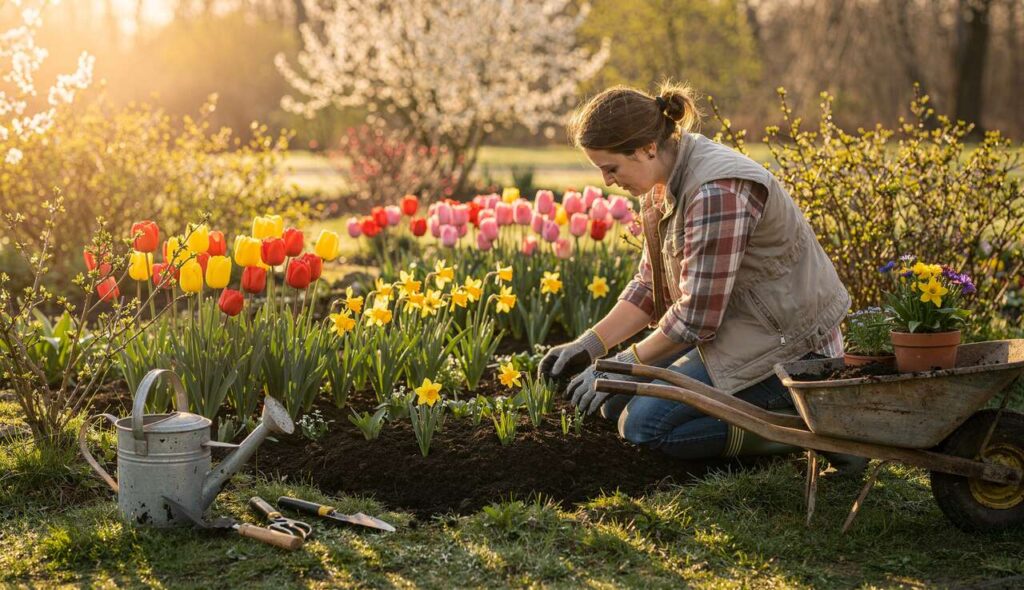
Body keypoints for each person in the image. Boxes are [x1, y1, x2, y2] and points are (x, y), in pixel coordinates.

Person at [539, 83, 860, 468]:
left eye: (611, 168)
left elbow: (696, 318)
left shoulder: (715, 192)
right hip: (740, 334)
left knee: (644, 427)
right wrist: (589, 346)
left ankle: (810, 431)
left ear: (647, 148)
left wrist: (622, 363)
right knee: (614, 403)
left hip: (792, 352)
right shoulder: (661, 184)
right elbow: (647, 286)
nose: (608, 181)